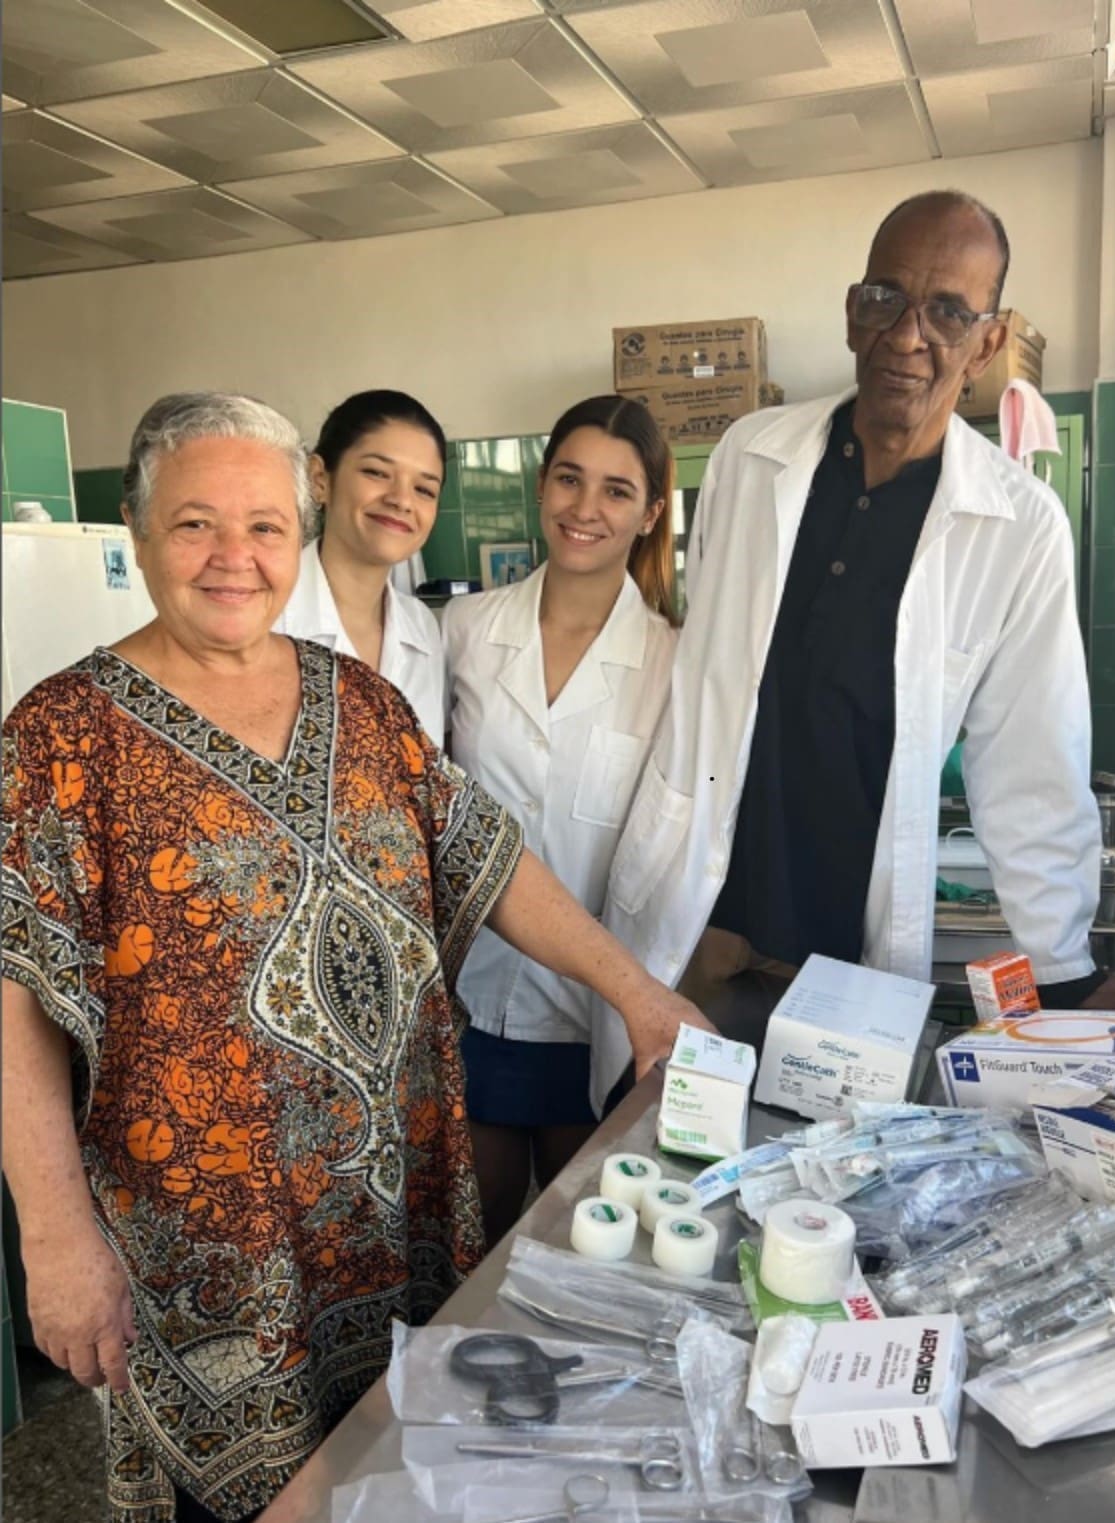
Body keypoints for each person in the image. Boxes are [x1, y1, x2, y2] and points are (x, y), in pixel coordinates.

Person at [0, 392, 707, 1523]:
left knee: (390, 1480)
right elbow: (15, 997)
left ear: (299, 527)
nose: (234, 557)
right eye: (194, 525)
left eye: (264, 526)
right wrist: (52, 1234)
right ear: (137, 532)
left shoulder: (364, 703)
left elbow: (492, 857)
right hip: (210, 1261)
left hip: (394, 1215)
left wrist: (639, 992)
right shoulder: (61, 735)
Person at [594, 189, 1115, 1107]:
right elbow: (708, 680)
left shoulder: (1018, 526)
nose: (908, 334)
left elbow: (1032, 766)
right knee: (649, 1173)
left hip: (853, 974)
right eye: (885, 297)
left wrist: (1065, 976)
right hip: (702, 937)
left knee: (821, 1204)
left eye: (949, 311)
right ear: (851, 311)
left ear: (988, 342)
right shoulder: (750, 461)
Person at [443, 395, 679, 1244]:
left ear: (652, 512)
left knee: (581, 1258)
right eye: (571, 480)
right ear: (542, 487)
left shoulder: (673, 663)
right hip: (471, 1004)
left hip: (600, 1017)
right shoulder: (463, 632)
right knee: (471, 1256)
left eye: (618, 491)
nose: (588, 508)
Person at [276, 389, 446, 742]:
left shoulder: (422, 629)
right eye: (377, 472)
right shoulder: (265, 615)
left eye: (424, 490)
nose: (401, 500)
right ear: (320, 479)